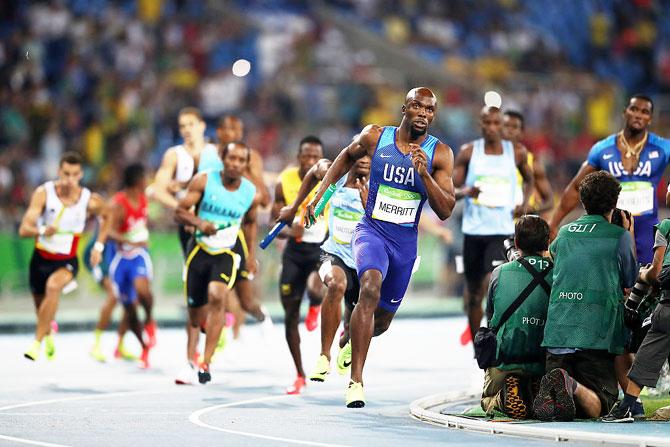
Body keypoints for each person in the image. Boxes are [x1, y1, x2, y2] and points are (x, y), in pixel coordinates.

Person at [305, 87, 456, 407]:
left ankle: (349, 342)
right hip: (371, 231)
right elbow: (345, 156)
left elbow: (445, 209)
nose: (424, 114)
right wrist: (320, 196)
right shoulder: (376, 137)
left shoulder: (440, 153)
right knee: (369, 289)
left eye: (430, 110)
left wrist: (425, 175)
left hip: (404, 244)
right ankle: (356, 382)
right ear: (405, 108)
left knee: (382, 322)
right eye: (418, 107)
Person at [533, 171, 637, 421]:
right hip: (596, 338)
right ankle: (571, 385)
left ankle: (560, 384)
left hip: (557, 335)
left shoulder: (565, 233)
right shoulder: (618, 236)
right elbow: (630, 280)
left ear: (582, 201)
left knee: (564, 408)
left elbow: (558, 262)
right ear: (614, 203)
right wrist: (628, 233)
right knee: (601, 405)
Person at [277, 155, 371, 383]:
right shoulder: (335, 177)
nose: (365, 159)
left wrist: (368, 204)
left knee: (352, 326)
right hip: (333, 253)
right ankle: (324, 356)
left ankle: (345, 341)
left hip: (362, 260)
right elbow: (313, 172)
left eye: (370, 156)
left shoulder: (378, 186)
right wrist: (295, 205)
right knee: (335, 284)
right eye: (361, 153)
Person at [549, 95, 670, 264]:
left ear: (649, 118)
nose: (638, 115)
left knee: (649, 282)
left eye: (644, 112)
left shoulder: (663, 147)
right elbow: (576, 187)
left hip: (647, 229)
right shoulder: (602, 149)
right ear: (624, 112)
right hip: (611, 227)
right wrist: (554, 222)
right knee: (612, 279)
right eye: (634, 109)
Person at [175, 141, 258, 384]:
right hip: (199, 251)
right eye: (231, 158)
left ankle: (204, 362)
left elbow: (251, 223)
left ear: (245, 164)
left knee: (218, 295)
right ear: (223, 158)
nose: (235, 164)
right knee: (195, 315)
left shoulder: (249, 192)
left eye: (241, 160)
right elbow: (179, 212)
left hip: (226, 254)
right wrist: (201, 224)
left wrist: (250, 255)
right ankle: (196, 348)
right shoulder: (203, 180)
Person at [453, 106, 534, 342]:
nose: (492, 128)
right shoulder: (469, 152)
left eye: (496, 123)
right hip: (474, 232)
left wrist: (524, 202)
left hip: (501, 232)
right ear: (480, 124)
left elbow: (529, 180)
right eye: (486, 123)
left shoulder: (516, 153)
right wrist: (467, 191)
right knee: (475, 293)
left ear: (501, 124)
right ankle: (478, 347)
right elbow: (450, 191)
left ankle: (495, 337)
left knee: (494, 283)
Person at [19, 151, 109, 361]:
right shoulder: (44, 193)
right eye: (66, 174)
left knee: (53, 287)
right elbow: (24, 228)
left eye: (75, 174)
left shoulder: (89, 200)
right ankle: (48, 332)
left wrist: (99, 247)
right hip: (40, 260)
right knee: (41, 307)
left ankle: (36, 343)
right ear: (59, 172)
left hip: (66, 261)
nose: (70, 179)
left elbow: (107, 216)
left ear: (81, 175)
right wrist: (41, 230)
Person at [480, 216, 552, 419]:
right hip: (544, 359)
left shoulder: (499, 273)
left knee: (487, 401)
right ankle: (534, 388)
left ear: (517, 243)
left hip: (505, 359)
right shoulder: (557, 273)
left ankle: (503, 396)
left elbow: (491, 320)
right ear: (547, 243)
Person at [271, 136, 327, 394]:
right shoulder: (284, 181)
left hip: (320, 249)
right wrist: (290, 230)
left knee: (316, 289)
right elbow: (275, 222)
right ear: (298, 156)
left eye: (316, 156)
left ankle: (316, 305)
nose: (311, 161)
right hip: (295, 252)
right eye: (307, 155)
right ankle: (299, 375)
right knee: (290, 315)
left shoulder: (330, 181)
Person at [603, 206, 670, 423]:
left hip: (664, 307)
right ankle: (631, 405)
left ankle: (629, 405)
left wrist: (643, 275)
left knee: (642, 352)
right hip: (652, 310)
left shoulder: (666, 226)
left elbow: (654, 274)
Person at [216, 115, 271, 339]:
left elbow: (264, 199)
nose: (233, 134)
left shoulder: (251, 158)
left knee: (245, 298)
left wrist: (244, 172)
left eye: (237, 130)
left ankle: (258, 319)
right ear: (219, 132)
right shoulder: (209, 156)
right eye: (228, 129)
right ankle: (223, 335)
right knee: (217, 290)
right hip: (212, 231)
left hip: (238, 229)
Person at [107, 163, 154, 369]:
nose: (147, 181)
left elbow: (140, 223)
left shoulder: (144, 199)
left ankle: (151, 322)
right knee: (130, 309)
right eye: (144, 177)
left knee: (143, 292)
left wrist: (141, 238)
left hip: (139, 257)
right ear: (137, 180)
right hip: (121, 260)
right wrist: (131, 240)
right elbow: (108, 232)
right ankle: (143, 347)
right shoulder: (118, 204)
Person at [502, 110, 553, 217]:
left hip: (521, 228)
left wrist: (531, 209)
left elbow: (549, 201)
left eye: (514, 127)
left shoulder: (532, 162)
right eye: (506, 125)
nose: (509, 130)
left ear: (521, 133)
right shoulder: (487, 159)